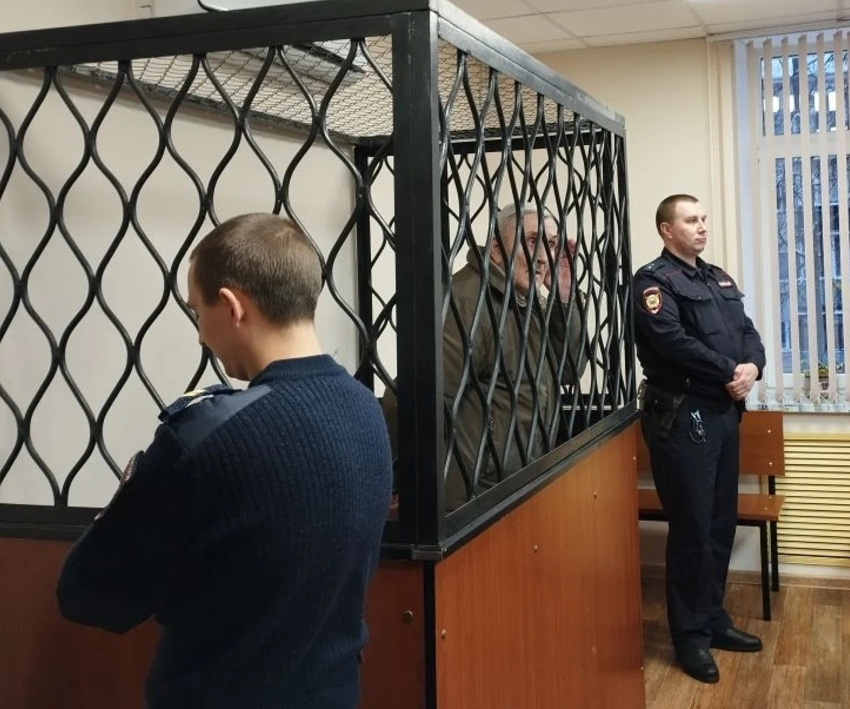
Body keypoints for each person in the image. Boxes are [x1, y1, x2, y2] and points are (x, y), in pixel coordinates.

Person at [56, 213, 393, 709]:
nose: (200, 335)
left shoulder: (209, 438)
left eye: (197, 312)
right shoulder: (366, 410)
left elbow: (88, 593)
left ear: (233, 307)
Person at [632, 194, 767, 685]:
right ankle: (689, 637)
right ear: (667, 230)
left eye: (704, 218)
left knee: (719, 525)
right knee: (692, 530)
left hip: (723, 414)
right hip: (682, 416)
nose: (702, 226)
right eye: (691, 220)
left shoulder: (717, 278)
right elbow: (672, 342)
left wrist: (752, 367)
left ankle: (713, 619)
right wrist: (730, 370)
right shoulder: (652, 283)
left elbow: (747, 331)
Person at [382, 203, 587, 511]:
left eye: (552, 244)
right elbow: (410, 400)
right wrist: (400, 483)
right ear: (495, 249)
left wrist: (564, 298)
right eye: (532, 240)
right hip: (472, 499)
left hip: (514, 486)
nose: (545, 256)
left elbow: (569, 370)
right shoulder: (470, 303)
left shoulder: (524, 301)